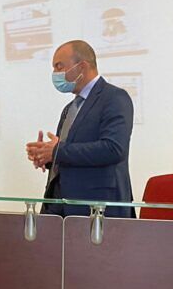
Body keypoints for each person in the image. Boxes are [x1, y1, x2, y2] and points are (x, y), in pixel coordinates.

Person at [25, 40, 134, 217]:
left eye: (59, 66)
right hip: (59, 206)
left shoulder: (115, 98)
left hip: (96, 208)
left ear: (82, 66)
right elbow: (68, 154)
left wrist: (57, 151)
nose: (55, 74)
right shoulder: (70, 108)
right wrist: (47, 156)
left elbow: (114, 149)